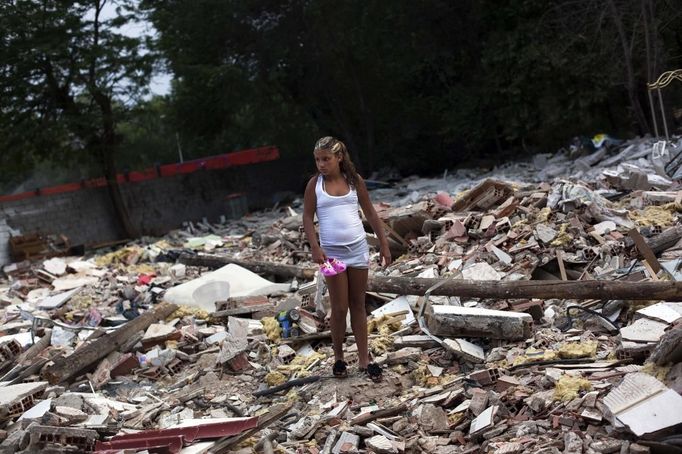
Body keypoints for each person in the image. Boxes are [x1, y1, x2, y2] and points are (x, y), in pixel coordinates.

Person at [303, 136, 392, 381]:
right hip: (332, 255)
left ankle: (365, 359)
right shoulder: (315, 185)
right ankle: (339, 357)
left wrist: (384, 244)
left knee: (358, 305)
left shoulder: (354, 181)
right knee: (339, 307)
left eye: (326, 159)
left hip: (358, 251)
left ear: (339, 157)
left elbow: (371, 214)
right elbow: (308, 217)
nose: (321, 164)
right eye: (318, 160)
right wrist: (315, 246)